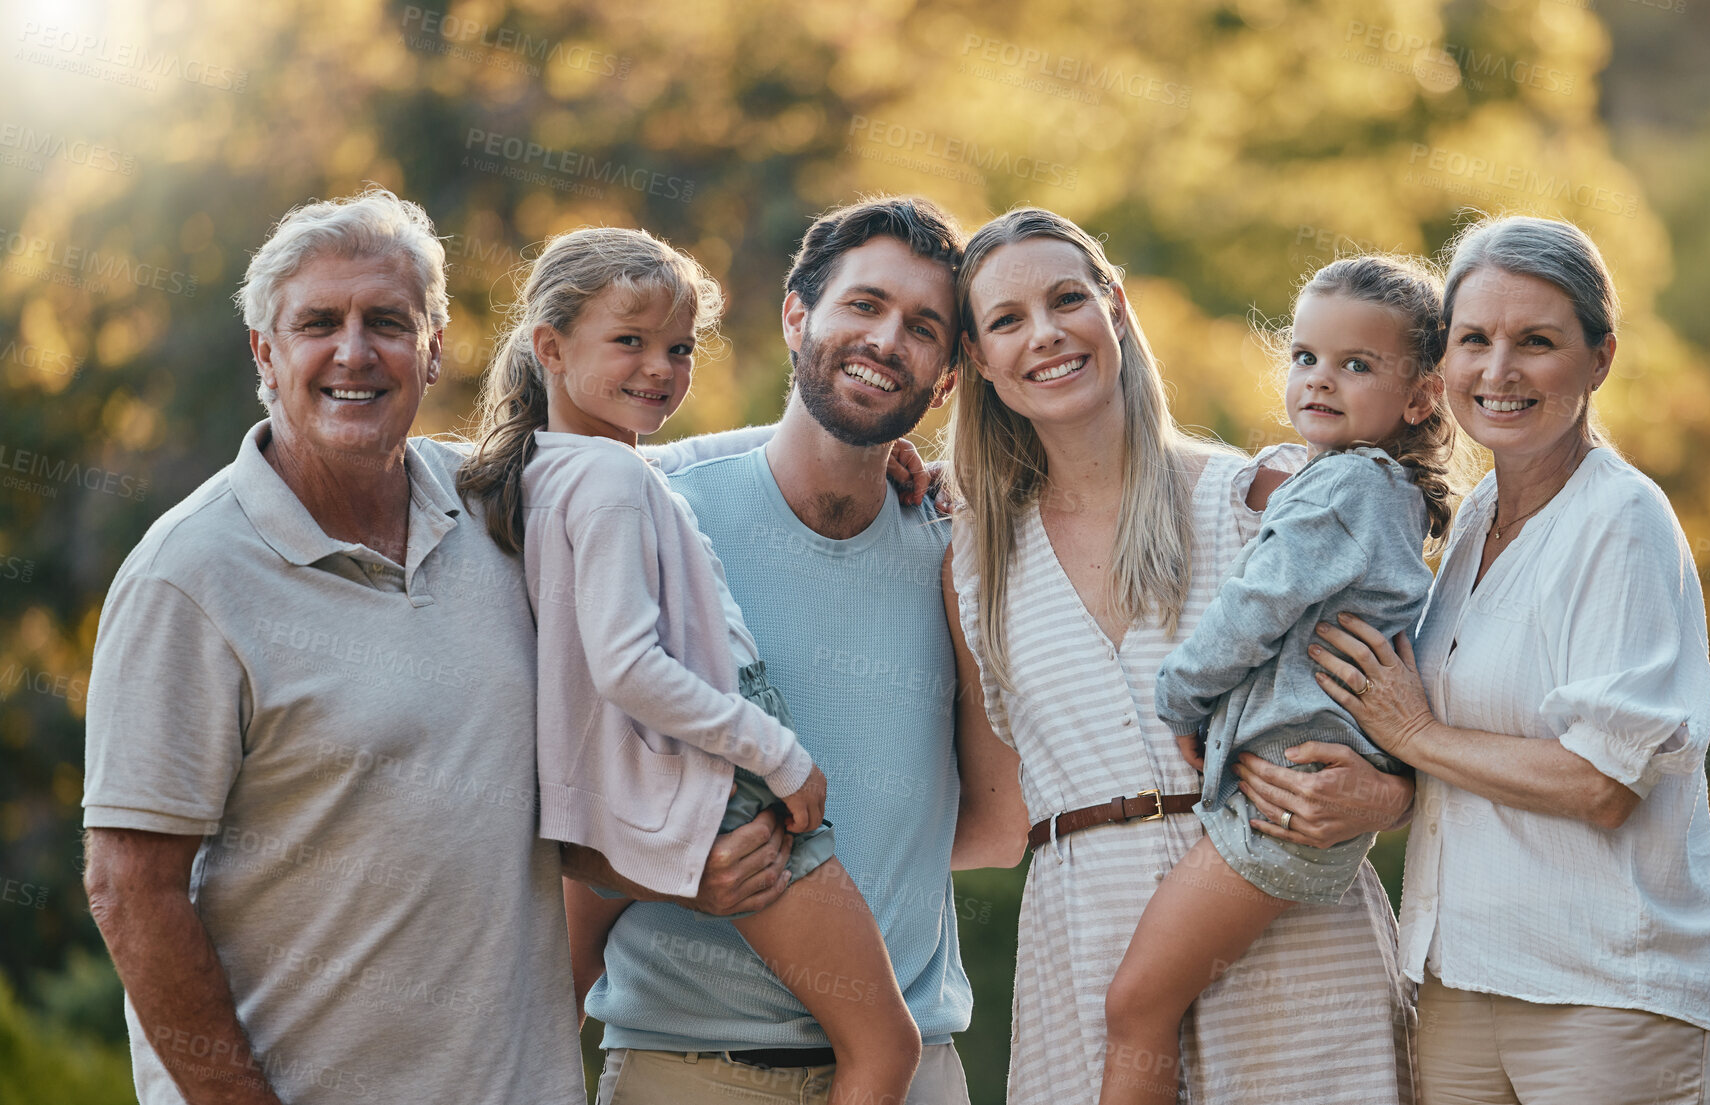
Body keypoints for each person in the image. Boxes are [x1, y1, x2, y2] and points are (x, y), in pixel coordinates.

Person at [79, 187, 793, 1105]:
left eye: (387, 320)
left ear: (435, 344)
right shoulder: (188, 575)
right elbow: (128, 886)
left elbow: (649, 466)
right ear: (265, 350)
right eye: (317, 324)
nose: (354, 351)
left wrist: (885, 452)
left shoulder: (502, 502)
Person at [945, 208, 1418, 1104]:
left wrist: (1389, 793)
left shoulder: (1264, 500)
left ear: (1115, 307)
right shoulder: (971, 555)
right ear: (976, 358)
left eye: (1067, 299)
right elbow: (991, 810)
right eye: (1007, 320)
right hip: (1084, 936)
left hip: (1286, 925)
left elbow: (1412, 705)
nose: (1045, 334)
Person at [573, 196, 1028, 1105]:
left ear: (945, 378)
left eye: (924, 327)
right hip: (686, 1071)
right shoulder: (661, 512)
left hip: (913, 1071)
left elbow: (992, 828)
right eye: (864, 304)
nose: (887, 339)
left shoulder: (959, 548)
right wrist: (678, 869)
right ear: (796, 316)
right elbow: (559, 803)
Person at [457, 225, 919, 1103]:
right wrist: (776, 753)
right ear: (549, 348)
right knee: (885, 1047)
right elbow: (629, 664)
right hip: (730, 779)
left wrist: (871, 443)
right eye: (628, 342)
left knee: (544, 1009)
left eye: (678, 347)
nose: (661, 369)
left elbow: (716, 460)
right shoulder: (614, 483)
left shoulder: (550, 474)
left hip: (645, 783)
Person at [1310, 215, 1710, 1103]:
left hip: (1609, 995)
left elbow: (1601, 783)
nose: (1498, 371)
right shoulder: (1469, 524)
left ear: (1600, 358)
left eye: (1536, 341)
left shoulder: (1622, 522)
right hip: (1460, 979)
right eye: (1475, 339)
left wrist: (1416, 735)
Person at [1098, 255, 1459, 1104]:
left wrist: (1181, 696)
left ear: (1421, 397)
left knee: (1137, 1003)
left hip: (1285, 802)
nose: (1321, 380)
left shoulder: (1344, 491)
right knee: (1157, 1008)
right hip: (1292, 798)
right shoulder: (1367, 486)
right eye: (1305, 358)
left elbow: (1255, 607)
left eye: (1356, 365)